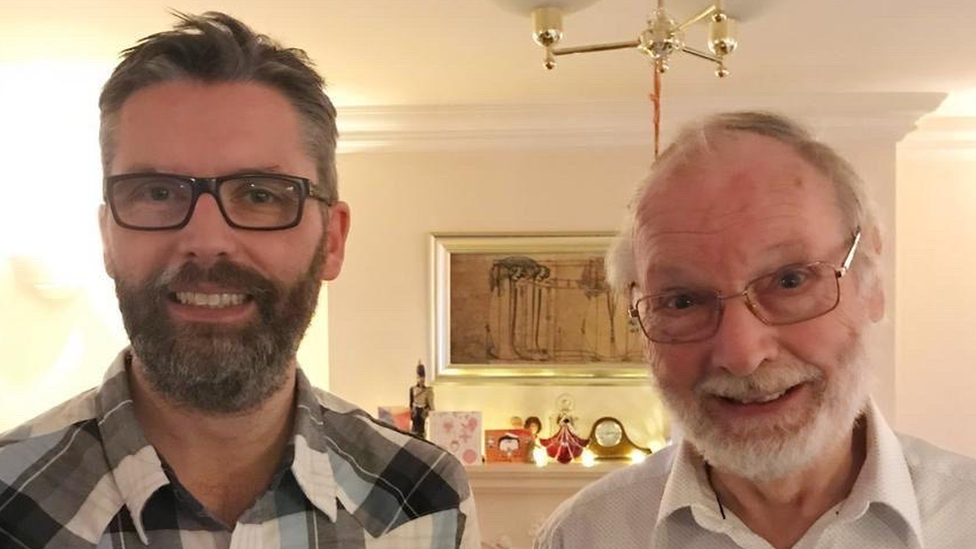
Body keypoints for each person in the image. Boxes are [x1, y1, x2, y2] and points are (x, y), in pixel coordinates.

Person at [0, 12, 478, 549]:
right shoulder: (9, 501)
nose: (207, 239)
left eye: (260, 194)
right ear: (109, 238)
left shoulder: (421, 498)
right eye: (157, 193)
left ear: (333, 241)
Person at [535, 111, 976, 548]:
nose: (742, 353)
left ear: (870, 280)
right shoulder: (584, 534)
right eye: (683, 301)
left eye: (790, 281)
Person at [410, 361, 435, 437]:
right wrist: (411, 411)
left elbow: (430, 404)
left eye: (423, 377)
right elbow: (411, 402)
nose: (421, 379)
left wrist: (428, 411)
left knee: (422, 429)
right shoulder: (412, 389)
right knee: (414, 429)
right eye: (419, 377)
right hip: (415, 410)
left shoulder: (428, 390)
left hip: (422, 411)